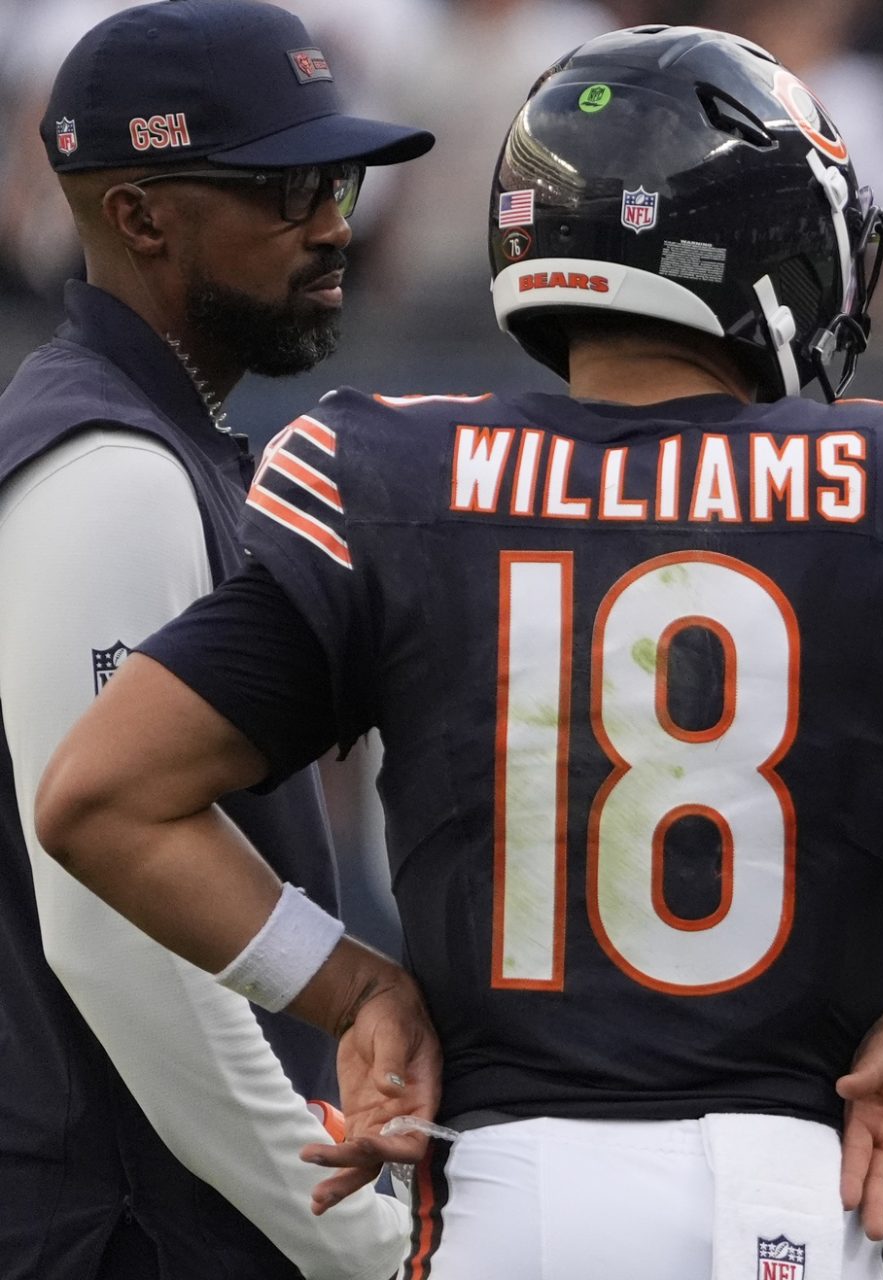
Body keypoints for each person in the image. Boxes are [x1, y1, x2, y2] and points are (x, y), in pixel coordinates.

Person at [34, 26, 883, 1279]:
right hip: (796, 1193)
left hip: (509, 1196)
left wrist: (351, 989)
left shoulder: (385, 473)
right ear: (771, 243)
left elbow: (101, 794)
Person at [0, 4, 434, 1278]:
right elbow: (114, 932)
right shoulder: (111, 467)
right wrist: (357, 1234)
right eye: (288, 186)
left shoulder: (143, 438)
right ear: (140, 216)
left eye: (339, 180)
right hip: (126, 1226)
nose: (334, 221)